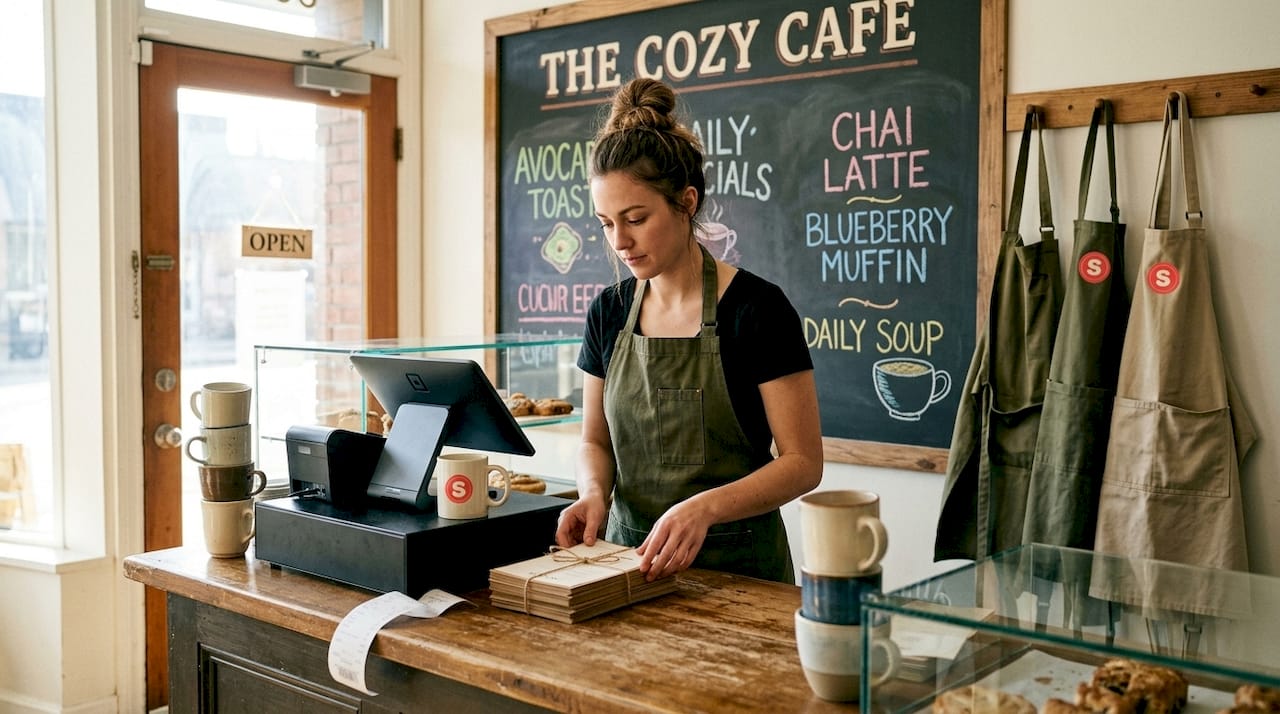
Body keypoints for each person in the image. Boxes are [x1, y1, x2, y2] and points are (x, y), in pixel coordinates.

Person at [554, 77, 823, 584]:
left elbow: (804, 462)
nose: (620, 241)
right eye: (606, 223)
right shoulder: (608, 313)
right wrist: (592, 492)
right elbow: (595, 441)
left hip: (742, 575)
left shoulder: (758, 310)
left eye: (636, 218)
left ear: (687, 202)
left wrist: (706, 508)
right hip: (626, 566)